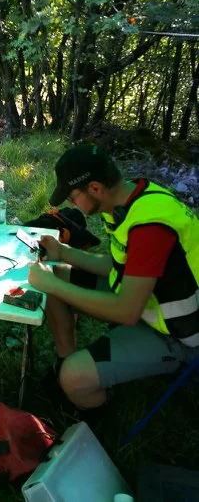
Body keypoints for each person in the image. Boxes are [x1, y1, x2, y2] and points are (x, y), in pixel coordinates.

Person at [28, 144, 199, 411]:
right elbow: (117, 265)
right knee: (57, 274)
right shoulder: (128, 199)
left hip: (179, 333)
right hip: (149, 300)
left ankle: (99, 403)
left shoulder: (150, 227)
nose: (72, 205)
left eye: (72, 198)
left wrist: (52, 285)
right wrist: (63, 252)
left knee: (73, 378)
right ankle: (66, 358)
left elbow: (127, 312)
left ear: (94, 188)